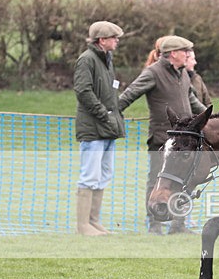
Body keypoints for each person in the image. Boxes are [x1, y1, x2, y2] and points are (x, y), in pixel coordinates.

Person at [119, 35, 207, 235]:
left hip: (185, 142)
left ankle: (178, 225)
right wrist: (112, 114)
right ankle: (155, 224)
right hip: (162, 140)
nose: (188, 55)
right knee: (156, 182)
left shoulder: (183, 73)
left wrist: (211, 118)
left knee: (184, 182)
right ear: (173, 54)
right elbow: (129, 94)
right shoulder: (153, 73)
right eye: (185, 51)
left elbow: (192, 100)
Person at [73, 20, 126, 236]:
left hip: (107, 129)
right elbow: (83, 91)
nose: (117, 41)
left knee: (104, 174)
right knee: (89, 175)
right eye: (114, 38)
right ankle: (83, 225)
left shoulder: (107, 60)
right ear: (102, 40)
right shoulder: (87, 60)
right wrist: (103, 114)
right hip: (93, 128)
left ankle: (94, 221)